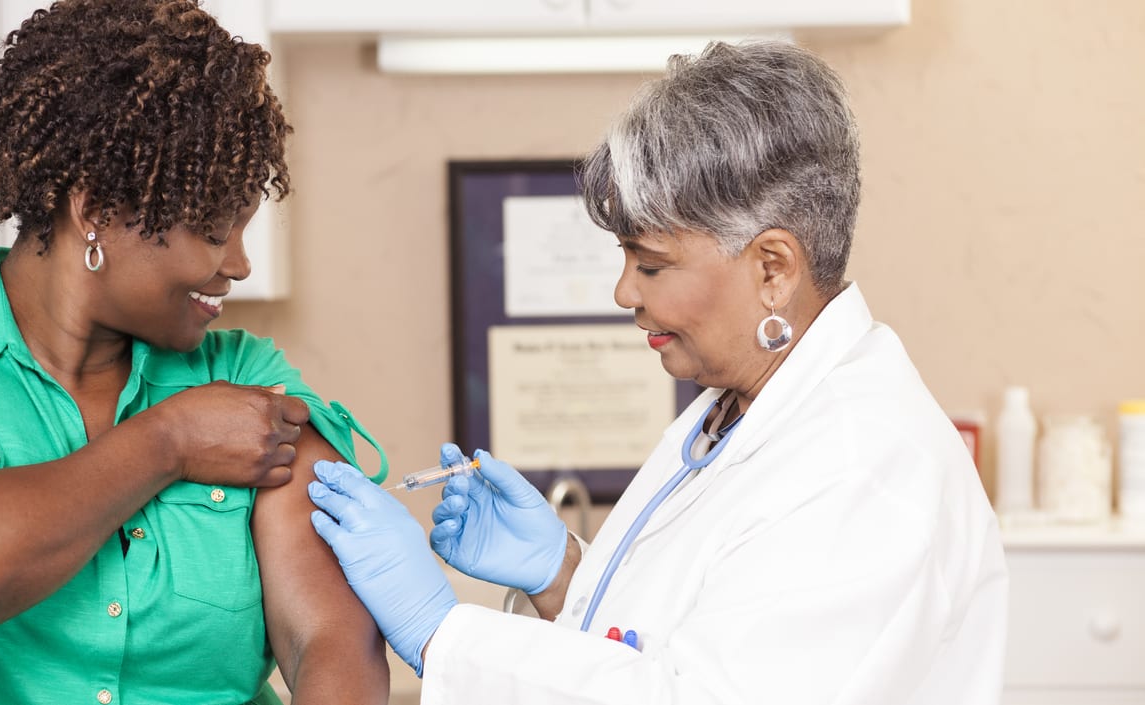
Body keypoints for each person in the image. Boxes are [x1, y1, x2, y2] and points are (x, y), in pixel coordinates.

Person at [308, 40, 1008, 704]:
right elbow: (676, 640)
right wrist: (565, 576)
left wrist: (441, 633)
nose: (624, 293)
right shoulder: (734, 409)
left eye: (651, 263)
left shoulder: (865, 471)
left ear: (773, 268)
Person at [0, 2, 390, 703]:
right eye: (215, 230)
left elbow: (331, 639)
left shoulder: (243, 376)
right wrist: (169, 441)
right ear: (94, 210)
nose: (240, 263)